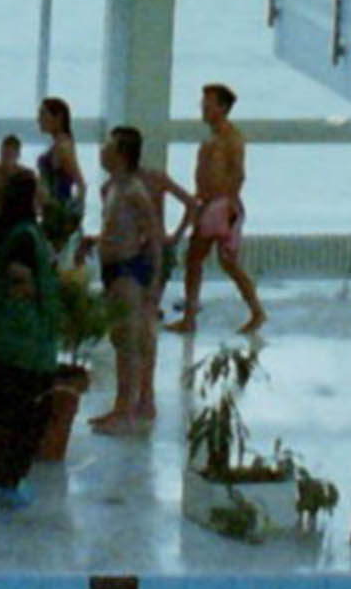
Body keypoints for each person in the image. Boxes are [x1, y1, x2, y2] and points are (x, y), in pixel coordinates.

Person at [0, 167, 67, 512]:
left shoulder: (2, 230)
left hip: (0, 341)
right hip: (24, 343)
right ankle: (8, 480)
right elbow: (19, 278)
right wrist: (37, 293)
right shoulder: (25, 236)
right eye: (39, 187)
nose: (44, 192)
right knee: (26, 415)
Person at [88, 124, 185, 435]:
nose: (102, 150)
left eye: (107, 146)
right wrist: (95, 242)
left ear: (121, 154)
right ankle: (129, 404)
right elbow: (115, 229)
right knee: (121, 339)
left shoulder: (134, 191)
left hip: (130, 270)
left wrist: (154, 281)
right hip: (115, 269)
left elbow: (154, 238)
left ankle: (125, 409)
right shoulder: (113, 187)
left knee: (129, 341)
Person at [163, 81, 265, 335]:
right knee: (205, 260)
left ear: (222, 107)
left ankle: (195, 317)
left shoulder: (231, 138)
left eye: (208, 105)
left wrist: (225, 207)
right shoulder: (215, 137)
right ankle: (194, 316)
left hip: (220, 205)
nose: (203, 109)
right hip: (212, 203)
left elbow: (238, 175)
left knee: (206, 259)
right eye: (203, 104)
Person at [36, 94, 90, 263]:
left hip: (58, 211)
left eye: (44, 115)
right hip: (51, 210)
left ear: (58, 118)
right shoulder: (58, 144)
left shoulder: (63, 147)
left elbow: (80, 183)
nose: (39, 119)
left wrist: (72, 215)